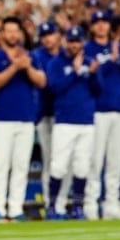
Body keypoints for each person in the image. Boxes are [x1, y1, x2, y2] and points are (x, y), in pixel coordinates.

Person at [0, 16, 46, 222]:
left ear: (20, 33)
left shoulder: (30, 56)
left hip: (26, 118)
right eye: (7, 31)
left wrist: (26, 66)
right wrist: (14, 67)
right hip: (1, 119)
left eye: (15, 31)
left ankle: (16, 208)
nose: (11, 35)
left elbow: (42, 81)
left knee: (21, 165)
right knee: (0, 164)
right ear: (1, 34)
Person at [46, 26, 99, 220]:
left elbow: (98, 90)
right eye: (71, 41)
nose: (74, 45)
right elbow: (55, 88)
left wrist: (92, 74)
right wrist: (76, 72)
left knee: (82, 167)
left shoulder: (89, 61)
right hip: (65, 121)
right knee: (58, 166)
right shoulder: (56, 63)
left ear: (82, 42)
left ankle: (78, 206)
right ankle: (52, 206)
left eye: (77, 41)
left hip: (86, 120)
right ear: (65, 42)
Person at [84, 10, 120, 220]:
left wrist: (118, 54)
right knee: (95, 160)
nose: (101, 26)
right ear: (91, 27)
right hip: (98, 110)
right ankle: (91, 204)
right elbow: (92, 78)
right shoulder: (88, 49)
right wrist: (110, 61)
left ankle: (112, 203)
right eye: (97, 22)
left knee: (116, 162)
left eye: (104, 22)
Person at [31, 21, 62, 216]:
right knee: (50, 161)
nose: (47, 39)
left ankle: (65, 202)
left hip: (67, 115)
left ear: (58, 35)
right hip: (45, 114)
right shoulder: (37, 56)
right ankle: (50, 203)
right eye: (44, 36)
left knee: (70, 163)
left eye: (50, 34)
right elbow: (46, 84)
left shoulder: (66, 54)